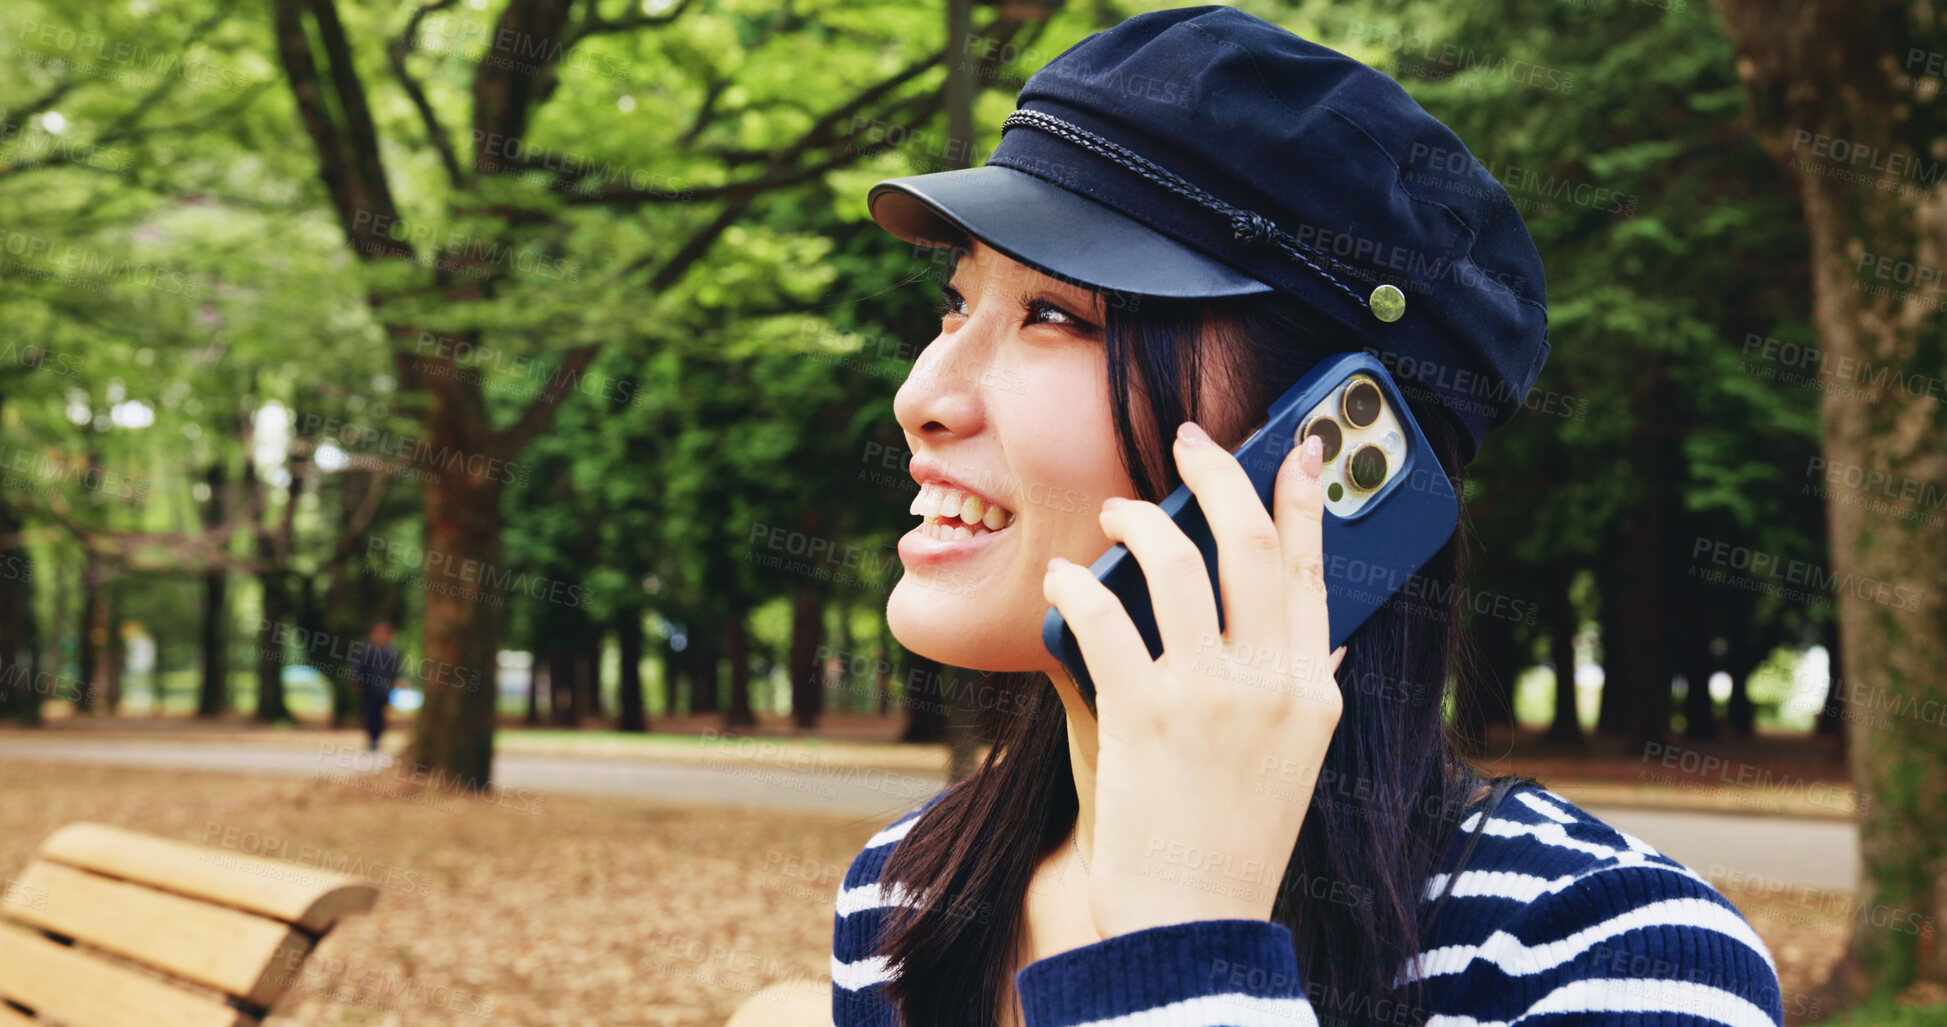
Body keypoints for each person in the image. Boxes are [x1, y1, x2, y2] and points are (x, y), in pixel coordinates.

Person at [831, 8, 1785, 1027]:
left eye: (1055, 316)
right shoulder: (907, 893)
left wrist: (1183, 941)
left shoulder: (1608, 952)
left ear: (1322, 459)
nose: (923, 393)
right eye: (957, 301)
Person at [352, 622, 403, 752]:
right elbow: (358, 666)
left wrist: (398, 681)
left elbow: (396, 671)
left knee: (380, 715)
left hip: (384, 689)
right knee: (370, 714)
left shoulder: (391, 652)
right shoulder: (366, 650)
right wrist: (356, 679)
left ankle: (377, 738)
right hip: (369, 688)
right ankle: (372, 739)